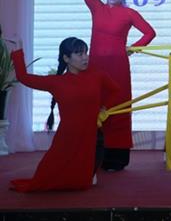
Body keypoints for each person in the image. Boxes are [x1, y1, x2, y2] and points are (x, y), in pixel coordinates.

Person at [66, 0, 156, 171]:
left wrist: (132, 48)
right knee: (96, 107)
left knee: (119, 107)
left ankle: (117, 157)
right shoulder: (97, 7)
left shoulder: (129, 13)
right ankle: (94, 154)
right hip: (95, 67)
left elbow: (150, 33)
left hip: (118, 68)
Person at [9, 37, 120, 192]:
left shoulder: (97, 75)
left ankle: (89, 173)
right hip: (68, 136)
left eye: (86, 53)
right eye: (79, 54)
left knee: (85, 177)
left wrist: (104, 108)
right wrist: (18, 51)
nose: (85, 57)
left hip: (92, 135)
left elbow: (115, 91)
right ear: (66, 58)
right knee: (48, 177)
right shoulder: (57, 82)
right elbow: (24, 78)